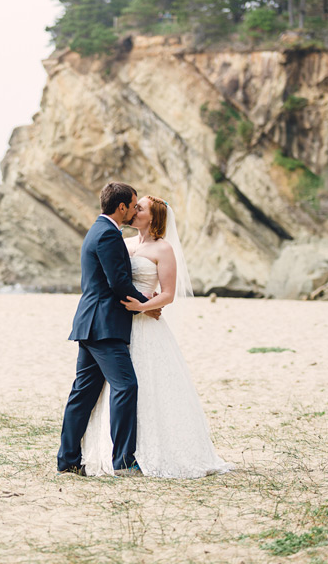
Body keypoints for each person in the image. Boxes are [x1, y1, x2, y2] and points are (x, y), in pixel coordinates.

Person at [80, 195, 232, 478]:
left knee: (148, 387)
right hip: (119, 326)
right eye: (135, 207)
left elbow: (168, 293)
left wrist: (144, 306)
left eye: (141, 208)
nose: (134, 211)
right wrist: (137, 304)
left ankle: (146, 452)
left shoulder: (164, 249)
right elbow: (113, 281)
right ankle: (117, 452)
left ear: (153, 217)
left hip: (147, 328)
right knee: (120, 389)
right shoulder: (122, 244)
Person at [57, 182, 158, 477]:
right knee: (126, 386)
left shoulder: (97, 231)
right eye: (133, 205)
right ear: (122, 206)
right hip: (104, 326)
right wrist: (146, 305)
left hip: (90, 323)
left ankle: (68, 461)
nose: (134, 210)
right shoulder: (109, 235)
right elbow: (119, 284)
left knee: (83, 395)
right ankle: (124, 461)